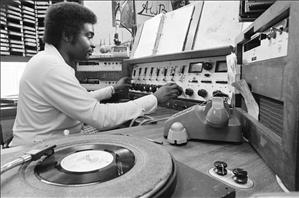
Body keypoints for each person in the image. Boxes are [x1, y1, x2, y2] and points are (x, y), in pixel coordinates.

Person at [11, 2, 181, 146]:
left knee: (122, 128)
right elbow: (100, 116)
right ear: (68, 36)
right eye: (88, 36)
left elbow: (80, 100)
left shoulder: (48, 61)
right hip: (37, 151)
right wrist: (155, 98)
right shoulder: (50, 67)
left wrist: (113, 89)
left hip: (50, 140)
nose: (92, 45)